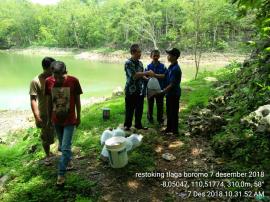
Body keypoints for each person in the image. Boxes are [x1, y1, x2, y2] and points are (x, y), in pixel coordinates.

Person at [45, 61, 82, 185]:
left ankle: (61, 175)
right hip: (56, 120)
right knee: (62, 146)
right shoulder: (48, 81)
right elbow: (49, 101)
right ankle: (68, 160)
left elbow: (77, 100)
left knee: (65, 147)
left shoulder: (73, 81)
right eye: (55, 75)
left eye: (60, 75)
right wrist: (49, 118)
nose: (58, 78)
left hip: (70, 119)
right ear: (52, 72)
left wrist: (79, 116)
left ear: (65, 72)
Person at [29, 57, 56, 165]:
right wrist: (37, 116)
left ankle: (63, 154)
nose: (54, 69)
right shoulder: (35, 81)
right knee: (46, 136)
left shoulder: (56, 78)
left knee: (61, 133)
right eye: (52, 68)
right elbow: (33, 99)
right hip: (44, 113)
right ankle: (48, 155)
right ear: (46, 68)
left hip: (57, 111)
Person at [124, 44, 155, 131]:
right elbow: (134, 76)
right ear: (133, 52)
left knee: (139, 109)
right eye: (138, 52)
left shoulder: (140, 63)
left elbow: (141, 76)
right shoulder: (128, 63)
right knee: (129, 109)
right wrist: (147, 72)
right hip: (130, 91)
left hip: (140, 90)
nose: (140, 53)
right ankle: (127, 125)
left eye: (140, 52)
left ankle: (138, 125)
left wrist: (149, 79)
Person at [160, 48, 182, 135]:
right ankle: (169, 129)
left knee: (173, 112)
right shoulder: (171, 66)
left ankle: (175, 131)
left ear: (174, 57)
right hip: (170, 94)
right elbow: (164, 76)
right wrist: (153, 75)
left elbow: (172, 84)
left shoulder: (176, 69)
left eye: (169, 55)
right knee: (169, 111)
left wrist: (163, 91)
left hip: (174, 94)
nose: (168, 56)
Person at [145, 49, 167, 125]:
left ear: (159, 56)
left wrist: (155, 75)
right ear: (151, 56)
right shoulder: (148, 66)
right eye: (154, 55)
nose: (156, 57)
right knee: (150, 104)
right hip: (150, 89)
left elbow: (165, 75)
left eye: (157, 56)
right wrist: (148, 78)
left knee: (160, 105)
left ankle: (160, 119)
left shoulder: (162, 66)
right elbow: (145, 76)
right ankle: (150, 118)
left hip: (160, 88)